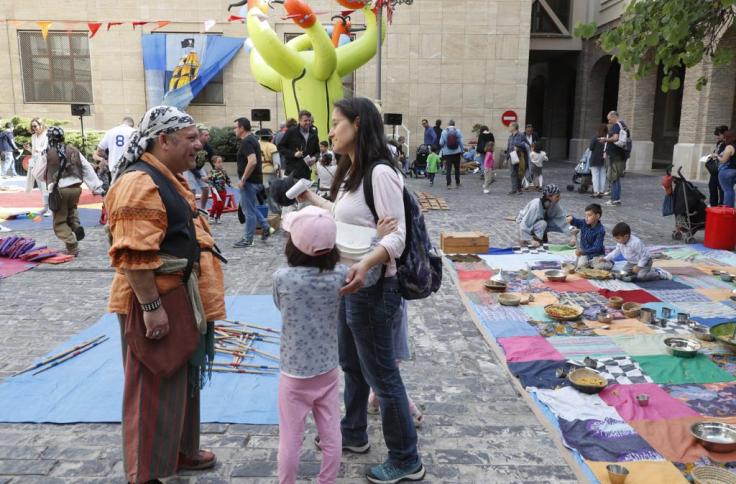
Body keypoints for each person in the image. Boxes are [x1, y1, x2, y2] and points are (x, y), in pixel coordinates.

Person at [297, 97, 425, 484]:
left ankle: (407, 459)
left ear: (357, 124)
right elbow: (346, 218)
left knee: (382, 375)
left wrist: (366, 261)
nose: (330, 130)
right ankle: (352, 434)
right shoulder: (352, 171)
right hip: (349, 284)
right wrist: (309, 200)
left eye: (336, 123)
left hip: (372, 288)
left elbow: (398, 237)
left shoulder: (381, 173)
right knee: (352, 366)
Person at [105, 105, 226, 483]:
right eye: (190, 139)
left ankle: (180, 450)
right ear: (164, 140)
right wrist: (152, 308)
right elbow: (133, 254)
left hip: (178, 297)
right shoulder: (140, 182)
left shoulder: (167, 175)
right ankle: (145, 472)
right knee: (152, 386)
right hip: (154, 301)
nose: (199, 145)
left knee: (180, 381)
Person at [273, 206, 348, 484]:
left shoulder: (282, 277)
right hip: (327, 369)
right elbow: (370, 273)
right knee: (331, 434)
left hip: (293, 373)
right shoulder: (341, 274)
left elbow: (279, 305)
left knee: (290, 438)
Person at [39, 126, 103, 256]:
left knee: (60, 221)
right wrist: (96, 187)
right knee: (71, 211)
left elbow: (39, 173)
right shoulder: (74, 150)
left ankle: (72, 245)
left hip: (59, 191)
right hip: (75, 189)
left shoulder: (47, 152)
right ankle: (75, 226)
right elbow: (86, 168)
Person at [233, 117, 274, 247]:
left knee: (248, 211)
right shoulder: (253, 140)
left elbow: (252, 161)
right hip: (255, 180)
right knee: (250, 207)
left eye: (235, 127)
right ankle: (266, 227)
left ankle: (248, 239)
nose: (234, 130)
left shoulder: (247, 142)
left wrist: (243, 179)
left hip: (249, 182)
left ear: (242, 128)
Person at [595, 222, 671, 281]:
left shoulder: (636, 243)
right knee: (622, 274)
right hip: (631, 262)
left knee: (641, 277)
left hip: (645, 262)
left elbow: (645, 256)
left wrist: (639, 266)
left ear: (626, 236)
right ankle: (636, 273)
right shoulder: (620, 242)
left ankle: (658, 273)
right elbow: (616, 252)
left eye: (618, 238)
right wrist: (605, 258)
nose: (616, 240)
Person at [278, 110, 320, 180]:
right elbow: (280, 147)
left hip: (306, 173)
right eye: (305, 121)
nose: (308, 123)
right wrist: (294, 154)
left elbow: (317, 152)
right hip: (292, 173)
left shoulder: (313, 133)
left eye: (309, 121)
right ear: (299, 120)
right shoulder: (291, 131)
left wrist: (315, 158)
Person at [565, 204, 606, 270]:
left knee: (600, 267)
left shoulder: (601, 230)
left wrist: (583, 252)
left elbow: (597, 248)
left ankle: (607, 261)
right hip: (585, 254)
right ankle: (590, 264)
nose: (586, 218)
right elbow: (576, 221)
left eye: (589, 215)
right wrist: (571, 218)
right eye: (585, 215)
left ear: (597, 216)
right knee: (580, 266)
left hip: (597, 255)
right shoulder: (584, 223)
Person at [94, 116, 136, 181]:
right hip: (130, 168)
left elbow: (99, 150)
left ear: (122, 123)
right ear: (132, 125)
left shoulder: (110, 131)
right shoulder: (135, 132)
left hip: (113, 168)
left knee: (114, 189)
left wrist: (108, 157)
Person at [24, 117, 50, 216]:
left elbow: (45, 150)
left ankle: (51, 209)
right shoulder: (34, 136)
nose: (33, 128)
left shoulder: (46, 135)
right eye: (32, 126)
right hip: (35, 162)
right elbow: (35, 152)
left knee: (46, 186)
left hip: (44, 163)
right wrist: (29, 149)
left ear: (41, 125)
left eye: (35, 126)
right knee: (40, 186)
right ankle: (45, 207)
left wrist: (38, 151)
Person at [182, 127, 213, 211]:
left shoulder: (208, 147)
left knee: (206, 189)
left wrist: (214, 173)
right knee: (192, 190)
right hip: (188, 168)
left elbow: (213, 159)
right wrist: (200, 177)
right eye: (206, 135)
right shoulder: (194, 146)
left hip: (199, 167)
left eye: (208, 135)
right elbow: (190, 164)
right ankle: (192, 210)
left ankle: (203, 209)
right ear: (200, 136)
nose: (208, 137)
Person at [602, 110, 629, 206]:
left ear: (614, 117)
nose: (609, 121)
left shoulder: (617, 125)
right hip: (620, 156)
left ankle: (615, 199)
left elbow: (615, 138)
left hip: (616, 156)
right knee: (615, 178)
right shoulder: (623, 125)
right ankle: (615, 199)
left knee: (614, 178)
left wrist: (605, 139)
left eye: (609, 119)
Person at [258, 128, 281, 213]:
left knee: (260, 196)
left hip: (258, 173)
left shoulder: (256, 144)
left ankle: (262, 214)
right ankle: (276, 213)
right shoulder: (272, 146)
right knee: (272, 195)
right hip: (270, 173)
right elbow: (277, 163)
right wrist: (279, 175)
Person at [707, 125, 728, 206]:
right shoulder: (719, 143)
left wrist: (717, 156)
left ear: (724, 134)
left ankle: (722, 205)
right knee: (712, 186)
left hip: (723, 169)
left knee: (721, 188)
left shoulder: (728, 144)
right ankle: (713, 205)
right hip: (715, 169)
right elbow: (716, 152)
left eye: (719, 135)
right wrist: (712, 155)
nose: (717, 137)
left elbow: (725, 157)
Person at [440, 120, 464, 189]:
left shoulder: (444, 132)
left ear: (448, 124)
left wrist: (444, 147)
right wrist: (462, 150)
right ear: (454, 124)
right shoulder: (458, 131)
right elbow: (461, 142)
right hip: (457, 152)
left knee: (448, 169)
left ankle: (449, 184)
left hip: (447, 153)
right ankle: (457, 183)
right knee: (457, 168)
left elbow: (441, 143)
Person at [207, 155, 231, 223]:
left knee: (222, 205)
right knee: (216, 204)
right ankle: (211, 216)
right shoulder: (212, 172)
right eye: (218, 162)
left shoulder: (224, 171)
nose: (220, 163)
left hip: (223, 190)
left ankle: (218, 217)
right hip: (215, 190)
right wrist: (212, 187)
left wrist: (229, 183)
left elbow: (227, 179)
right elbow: (210, 181)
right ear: (214, 163)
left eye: (221, 162)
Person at [506, 122, 527, 195]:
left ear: (514, 127)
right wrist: (506, 158)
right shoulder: (510, 137)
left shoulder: (521, 135)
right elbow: (508, 148)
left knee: (519, 173)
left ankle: (519, 189)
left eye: (510, 126)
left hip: (519, 156)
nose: (509, 127)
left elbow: (526, 145)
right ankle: (513, 189)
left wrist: (518, 145)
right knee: (512, 173)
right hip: (512, 156)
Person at [717, 129, 736, 207]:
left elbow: (723, 161)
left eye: (725, 137)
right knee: (730, 190)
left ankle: (728, 209)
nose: (724, 139)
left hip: (727, 171)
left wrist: (717, 156)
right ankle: (731, 209)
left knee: (727, 190)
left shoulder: (729, 147)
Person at [589, 124, 608, 198]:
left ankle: (596, 191)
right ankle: (601, 191)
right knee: (602, 176)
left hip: (595, 158)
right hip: (604, 159)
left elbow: (591, 148)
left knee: (595, 176)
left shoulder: (595, 138)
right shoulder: (607, 138)